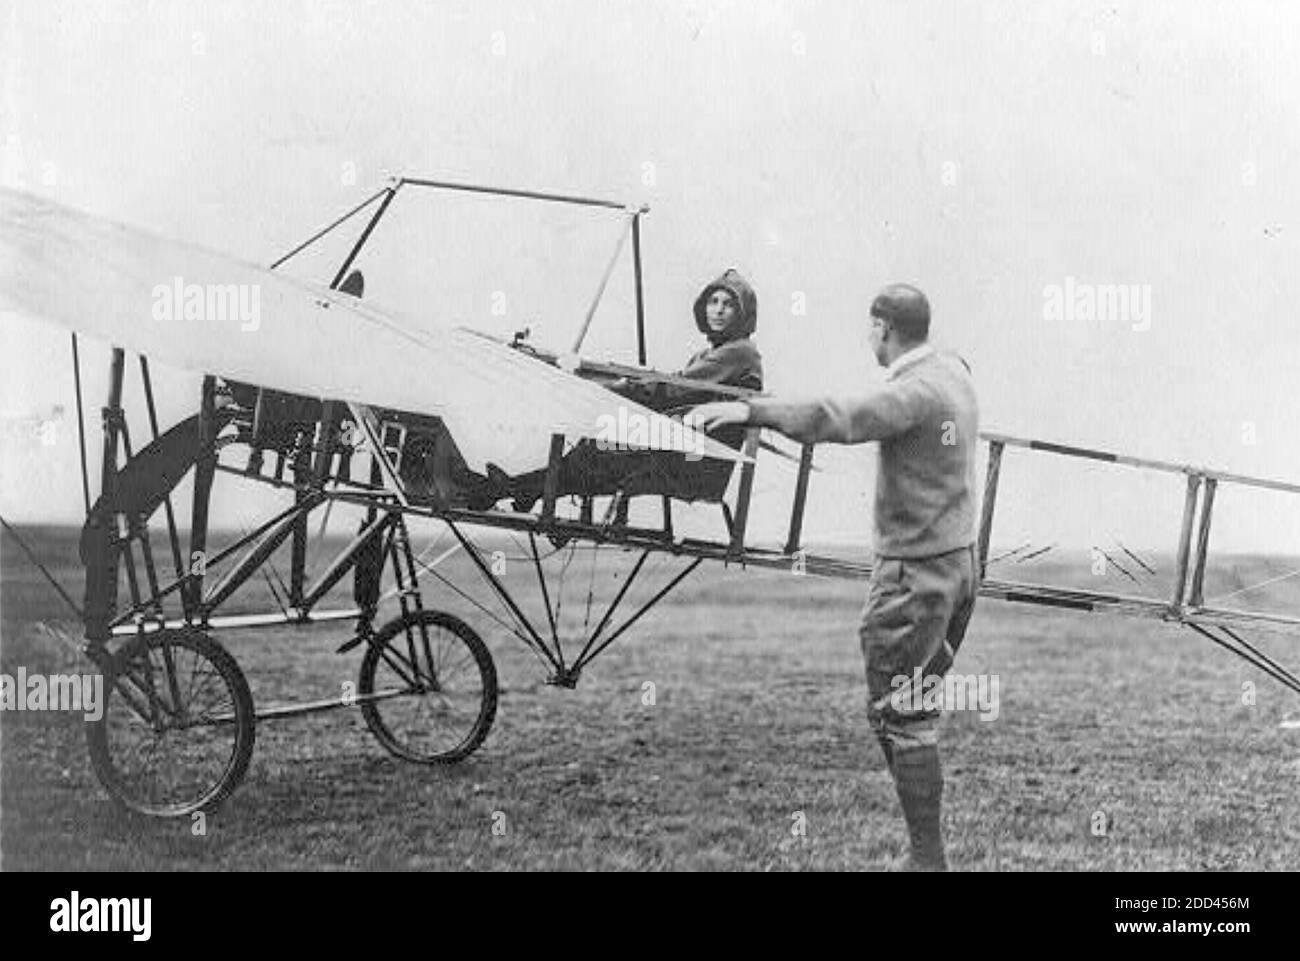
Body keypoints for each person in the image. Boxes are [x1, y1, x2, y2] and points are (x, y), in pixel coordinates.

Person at [693, 283, 978, 871]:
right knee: (905, 708)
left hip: (915, 577)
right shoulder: (952, 372)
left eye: (870, 328)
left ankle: (929, 863)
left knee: (901, 714)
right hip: (956, 565)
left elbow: (840, 417)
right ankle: (927, 859)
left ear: (881, 328)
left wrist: (750, 411)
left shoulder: (916, 391)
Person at [501, 268, 762, 512]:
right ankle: (518, 489)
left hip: (700, 463)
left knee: (597, 451)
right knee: (596, 448)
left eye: (728, 305)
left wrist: (610, 387)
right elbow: (674, 388)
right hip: (691, 451)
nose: (718, 310)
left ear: (742, 314)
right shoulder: (712, 354)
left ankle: (515, 489)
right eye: (713, 301)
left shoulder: (739, 353)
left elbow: (672, 390)